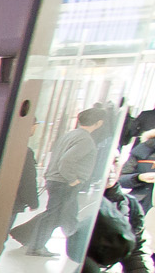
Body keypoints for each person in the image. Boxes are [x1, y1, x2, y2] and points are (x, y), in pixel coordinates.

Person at [14, 106, 110, 256]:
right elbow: (66, 161)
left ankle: (28, 238)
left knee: (58, 214)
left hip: (57, 180)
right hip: (64, 182)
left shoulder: (70, 135)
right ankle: (36, 245)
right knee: (56, 215)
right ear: (98, 123)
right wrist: (73, 180)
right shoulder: (85, 139)